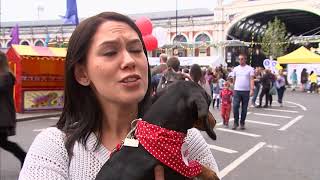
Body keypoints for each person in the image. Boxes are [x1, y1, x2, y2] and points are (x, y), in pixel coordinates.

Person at [19, 12, 218, 179]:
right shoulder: (54, 147)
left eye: (135, 49)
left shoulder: (186, 139)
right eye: (110, 52)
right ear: (82, 74)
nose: (129, 60)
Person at [0, 51, 27, 168]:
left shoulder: (6, 77)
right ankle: (23, 156)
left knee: (3, 143)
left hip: (3, 116)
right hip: (3, 115)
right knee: (3, 143)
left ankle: (24, 156)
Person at [229, 53, 254, 130]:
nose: (240, 60)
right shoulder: (236, 69)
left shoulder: (250, 69)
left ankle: (242, 122)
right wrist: (232, 88)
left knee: (244, 108)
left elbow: (251, 79)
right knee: (235, 107)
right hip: (237, 90)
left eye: (242, 59)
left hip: (246, 91)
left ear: (245, 59)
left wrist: (252, 89)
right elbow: (234, 79)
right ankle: (235, 122)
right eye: (239, 59)